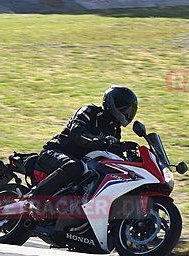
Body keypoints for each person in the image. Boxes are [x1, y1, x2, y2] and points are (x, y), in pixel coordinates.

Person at [23, 86, 139, 214]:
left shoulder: (115, 130)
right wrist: (99, 141)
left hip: (83, 162)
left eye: (131, 111)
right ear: (114, 104)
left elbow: (110, 153)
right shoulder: (90, 111)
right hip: (56, 151)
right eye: (125, 109)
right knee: (74, 167)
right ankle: (35, 199)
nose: (128, 114)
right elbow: (77, 132)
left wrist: (125, 151)